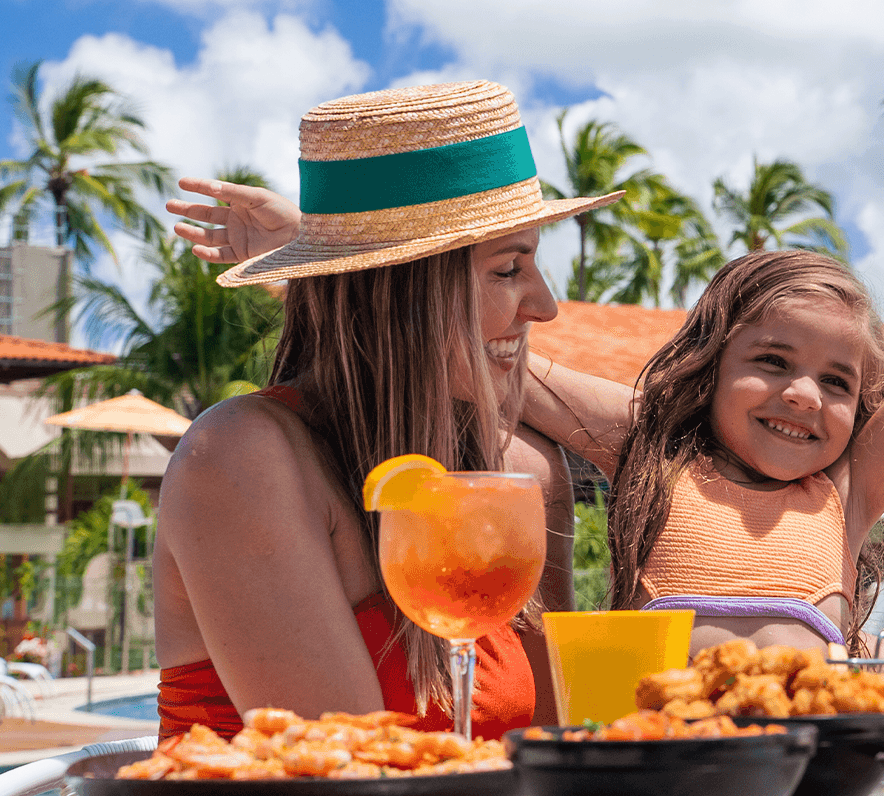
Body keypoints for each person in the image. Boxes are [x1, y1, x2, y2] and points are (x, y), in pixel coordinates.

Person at [517, 72, 884, 653]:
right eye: (772, 360)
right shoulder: (652, 446)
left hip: (816, 744)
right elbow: (499, 364)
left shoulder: (848, 489)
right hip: (658, 743)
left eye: (837, 381)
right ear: (710, 367)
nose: (804, 395)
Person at [153, 81, 619, 739]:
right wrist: (345, 281)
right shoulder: (241, 460)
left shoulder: (519, 477)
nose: (545, 306)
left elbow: (680, 443)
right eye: (509, 269)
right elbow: (355, 776)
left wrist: (351, 287)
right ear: (406, 293)